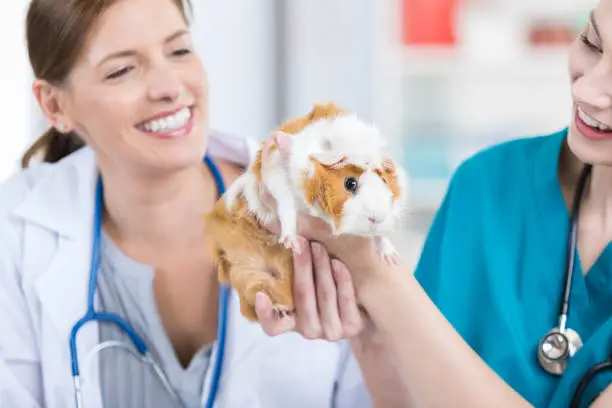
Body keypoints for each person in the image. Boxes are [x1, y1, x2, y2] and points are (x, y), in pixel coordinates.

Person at [0, 0, 407, 407]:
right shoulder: (16, 233)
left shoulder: (316, 209)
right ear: (54, 105)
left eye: (179, 50)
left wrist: (374, 336)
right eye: (122, 70)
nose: (170, 87)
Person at [268, 1, 612, 407]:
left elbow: (386, 288)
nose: (584, 89)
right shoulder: (488, 184)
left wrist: (380, 280)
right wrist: (369, 328)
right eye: (592, 42)